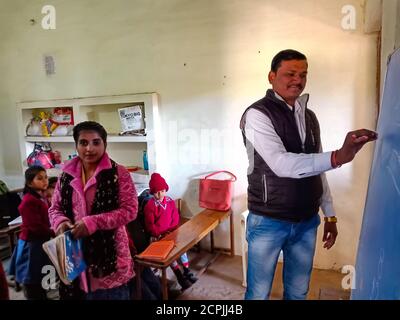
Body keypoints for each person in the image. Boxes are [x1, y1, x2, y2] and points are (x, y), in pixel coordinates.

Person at [240, 49, 378, 300]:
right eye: (290, 74)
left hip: (306, 222)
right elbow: (281, 164)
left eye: (303, 74)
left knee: (298, 292)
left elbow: (316, 168)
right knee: (258, 293)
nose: (298, 80)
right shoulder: (257, 114)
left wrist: (331, 215)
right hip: (268, 221)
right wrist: (337, 157)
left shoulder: (310, 116)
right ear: (271, 76)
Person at [48, 121, 138, 300]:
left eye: (96, 142)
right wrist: (61, 223)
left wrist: (92, 223)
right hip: (73, 260)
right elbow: (54, 208)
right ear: (76, 145)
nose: (89, 148)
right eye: (83, 142)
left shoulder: (118, 173)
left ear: (105, 144)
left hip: (110, 262)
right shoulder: (66, 175)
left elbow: (130, 210)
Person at [144, 173, 197, 290]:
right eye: (157, 192)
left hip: (172, 233)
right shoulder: (150, 206)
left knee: (182, 249)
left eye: (162, 191)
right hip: (158, 237)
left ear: (165, 190)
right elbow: (150, 225)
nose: (160, 194)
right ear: (152, 192)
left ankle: (187, 271)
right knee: (169, 255)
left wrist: (172, 230)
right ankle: (180, 277)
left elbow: (175, 217)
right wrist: (160, 234)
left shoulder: (170, 201)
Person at [8, 166, 54, 300]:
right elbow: (35, 227)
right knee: (32, 279)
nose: (45, 181)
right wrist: (53, 231)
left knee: (42, 277)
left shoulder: (40, 196)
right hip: (32, 244)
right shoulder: (29, 201)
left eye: (45, 177)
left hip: (41, 242)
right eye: (39, 178)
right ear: (29, 183)